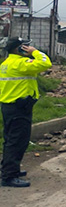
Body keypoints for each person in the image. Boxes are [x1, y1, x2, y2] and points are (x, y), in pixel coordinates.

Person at [0, 37, 52, 187]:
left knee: (10, 140)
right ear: (19, 48)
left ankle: (9, 169)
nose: (28, 48)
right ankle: (9, 176)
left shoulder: (6, 64)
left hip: (9, 106)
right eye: (25, 46)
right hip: (19, 108)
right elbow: (46, 63)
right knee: (17, 141)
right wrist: (35, 52)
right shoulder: (21, 63)